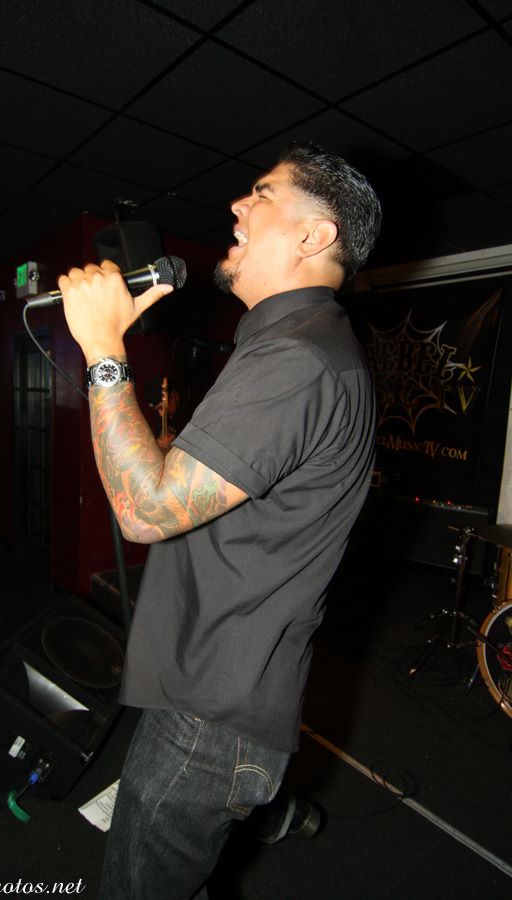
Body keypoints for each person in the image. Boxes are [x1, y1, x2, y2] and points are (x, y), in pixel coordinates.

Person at [59, 141, 382, 900]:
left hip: (211, 713)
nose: (237, 204)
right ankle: (272, 810)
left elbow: (144, 511)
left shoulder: (297, 359)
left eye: (262, 193)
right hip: (215, 692)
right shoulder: (294, 345)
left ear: (315, 236)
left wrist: (103, 348)